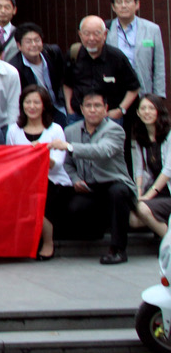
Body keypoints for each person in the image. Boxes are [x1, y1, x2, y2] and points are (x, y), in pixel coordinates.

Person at [50, 90, 138, 264]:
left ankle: (118, 250)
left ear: (106, 109)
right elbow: (67, 163)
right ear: (82, 109)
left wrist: (70, 147)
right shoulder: (71, 131)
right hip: (88, 186)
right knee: (71, 204)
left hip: (114, 183)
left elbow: (102, 151)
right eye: (88, 106)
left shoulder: (115, 130)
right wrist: (75, 179)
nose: (92, 110)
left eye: (97, 106)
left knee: (118, 193)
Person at [5, 85, 71, 261]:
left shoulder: (55, 129)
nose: (32, 106)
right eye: (28, 102)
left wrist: (39, 154)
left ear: (44, 105)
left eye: (36, 102)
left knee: (37, 193)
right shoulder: (13, 130)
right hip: (24, 181)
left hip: (54, 181)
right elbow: (11, 161)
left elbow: (57, 164)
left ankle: (48, 242)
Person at [64, 15, 140, 122]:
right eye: (86, 34)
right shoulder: (73, 54)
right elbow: (67, 84)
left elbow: (134, 87)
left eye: (96, 33)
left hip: (109, 118)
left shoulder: (117, 57)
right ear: (80, 35)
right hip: (78, 117)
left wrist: (121, 110)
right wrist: (69, 108)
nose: (91, 38)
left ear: (105, 34)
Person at [107, 0, 166, 98]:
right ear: (113, 7)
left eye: (128, 1)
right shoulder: (106, 30)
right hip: (115, 93)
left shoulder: (152, 29)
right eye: (119, 2)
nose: (123, 6)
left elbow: (159, 66)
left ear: (137, 4)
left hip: (143, 92)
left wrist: (158, 96)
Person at [128, 94, 171, 239]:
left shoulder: (169, 135)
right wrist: (139, 194)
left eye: (151, 108)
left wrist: (147, 196)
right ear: (138, 113)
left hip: (167, 191)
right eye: (143, 108)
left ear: (159, 111)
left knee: (143, 209)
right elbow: (138, 169)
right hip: (158, 192)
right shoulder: (139, 137)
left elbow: (168, 170)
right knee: (133, 220)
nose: (147, 112)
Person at [10, 23, 67, 116]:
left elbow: (63, 79)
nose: (34, 45)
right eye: (28, 42)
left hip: (58, 106)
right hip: (34, 111)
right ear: (19, 45)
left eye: (37, 40)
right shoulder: (15, 67)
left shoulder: (53, 53)